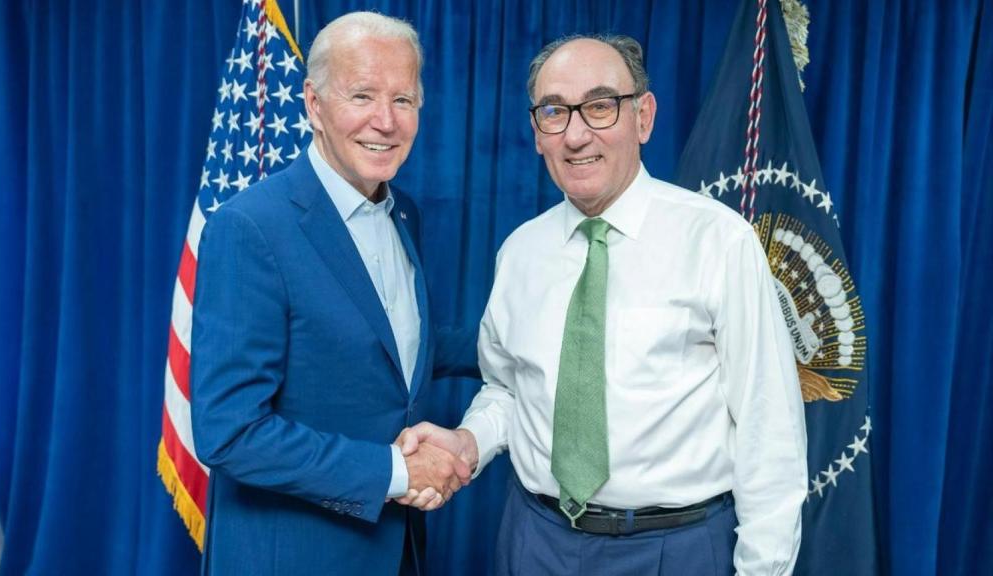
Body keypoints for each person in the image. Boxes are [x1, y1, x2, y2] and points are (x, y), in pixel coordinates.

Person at [399, 35, 808, 575]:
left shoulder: (718, 240)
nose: (575, 134)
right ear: (536, 133)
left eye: (599, 106)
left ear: (643, 116)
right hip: (534, 540)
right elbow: (509, 388)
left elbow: (768, 424)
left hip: (675, 548)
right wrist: (468, 441)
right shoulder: (521, 252)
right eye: (554, 112)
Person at [190, 12, 475, 576]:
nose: (385, 121)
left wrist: (523, 341)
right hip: (294, 556)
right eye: (362, 95)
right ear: (314, 104)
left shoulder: (403, 213)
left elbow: (390, 347)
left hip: (397, 551)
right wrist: (395, 473)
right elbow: (231, 432)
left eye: (404, 99)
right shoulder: (251, 229)